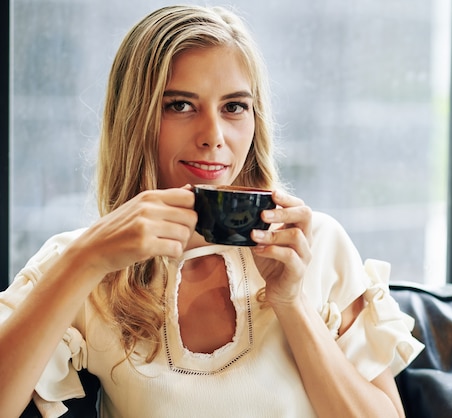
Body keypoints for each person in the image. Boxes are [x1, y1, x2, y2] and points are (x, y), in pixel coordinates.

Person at [0, 5, 423, 417]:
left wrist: (292, 303)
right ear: (134, 119)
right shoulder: (83, 262)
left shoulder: (312, 245)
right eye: (180, 105)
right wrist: (85, 260)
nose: (214, 136)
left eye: (234, 106)